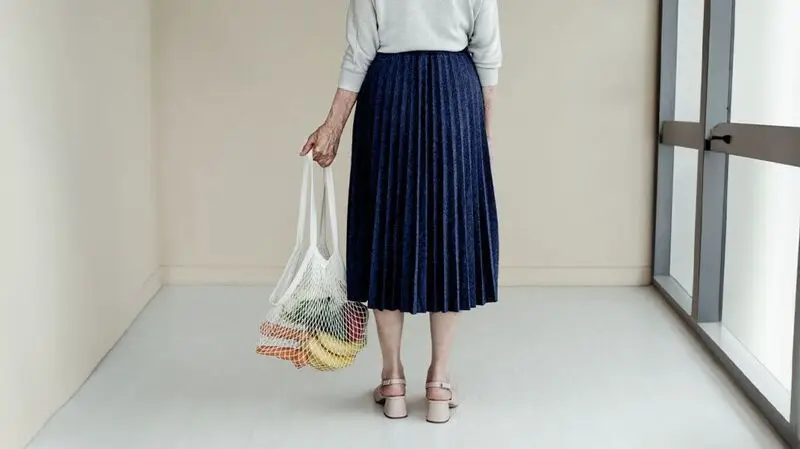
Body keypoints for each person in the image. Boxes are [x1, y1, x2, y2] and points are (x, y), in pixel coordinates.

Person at [300, 0, 501, 423]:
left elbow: (359, 52)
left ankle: (392, 377)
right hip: (456, 93)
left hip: (387, 94)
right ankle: (439, 382)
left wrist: (332, 127)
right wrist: (478, 135)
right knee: (448, 233)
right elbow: (487, 52)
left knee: (386, 229)